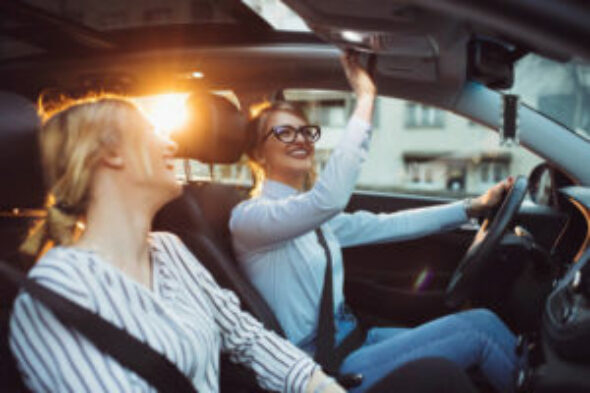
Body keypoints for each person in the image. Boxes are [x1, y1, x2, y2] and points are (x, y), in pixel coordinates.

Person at [9, 96, 345, 393]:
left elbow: (249, 338)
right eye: (154, 132)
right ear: (110, 154)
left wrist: (321, 386)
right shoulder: (59, 291)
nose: (172, 145)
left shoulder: (170, 250)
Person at [230, 51, 520, 393]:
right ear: (258, 153)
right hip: (322, 368)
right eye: (284, 132)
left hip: (357, 339)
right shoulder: (250, 219)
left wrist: (471, 207)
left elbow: (391, 225)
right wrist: (365, 100)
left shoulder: (313, 220)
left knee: (469, 358)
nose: (302, 140)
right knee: (480, 330)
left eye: (306, 131)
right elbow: (329, 198)